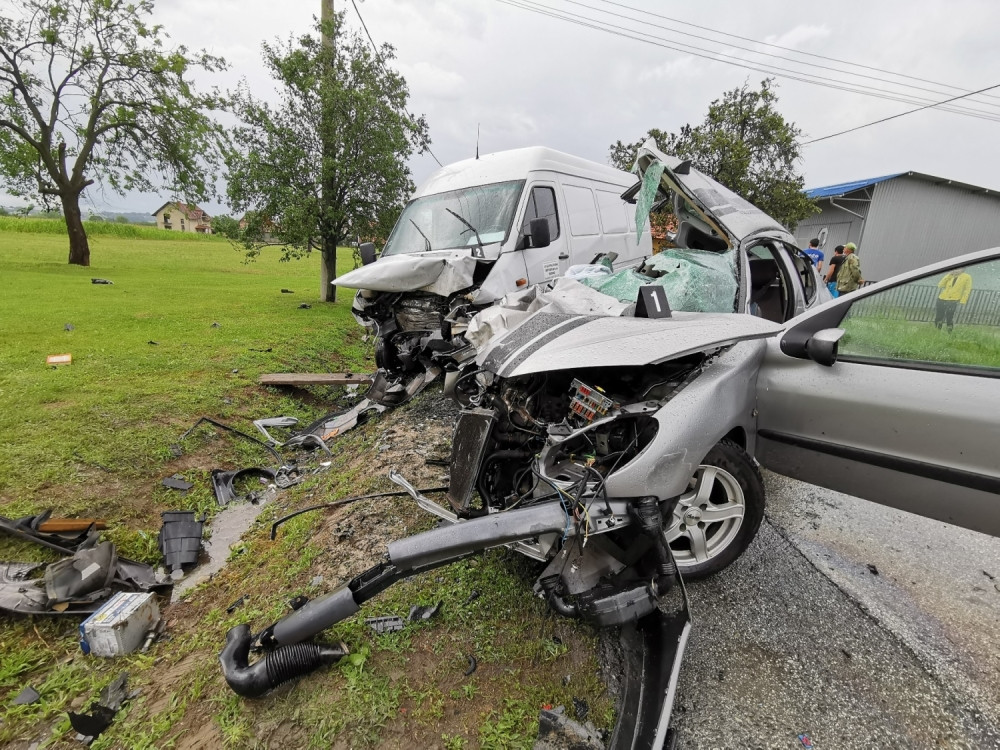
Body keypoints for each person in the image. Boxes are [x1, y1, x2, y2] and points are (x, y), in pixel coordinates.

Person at [934, 267, 972, 332]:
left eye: (958, 268)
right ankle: (937, 331)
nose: (956, 270)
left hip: (953, 300)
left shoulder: (967, 277)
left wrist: (963, 300)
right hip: (942, 298)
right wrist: (949, 275)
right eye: (955, 268)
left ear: (963, 269)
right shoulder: (950, 276)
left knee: (949, 316)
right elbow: (940, 285)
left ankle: (949, 332)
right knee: (939, 316)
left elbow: (967, 289)